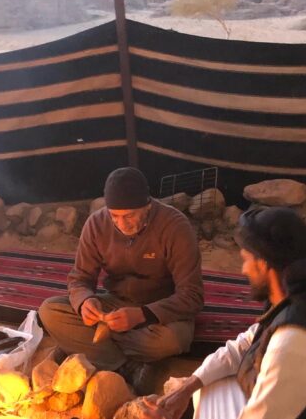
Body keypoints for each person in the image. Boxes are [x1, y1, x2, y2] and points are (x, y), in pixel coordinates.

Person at [141, 206, 306, 419]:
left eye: (246, 260)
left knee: (211, 400)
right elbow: (245, 344)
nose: (243, 270)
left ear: (265, 264)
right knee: (208, 387)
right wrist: (188, 386)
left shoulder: (293, 342)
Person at [39, 167, 204, 395]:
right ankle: (127, 367)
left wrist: (141, 315)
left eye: (129, 216)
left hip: (162, 311)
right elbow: (79, 279)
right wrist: (85, 301)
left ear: (147, 206)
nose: (121, 224)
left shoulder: (175, 226)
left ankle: (86, 347)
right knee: (49, 311)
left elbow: (192, 296)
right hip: (116, 304)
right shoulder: (97, 224)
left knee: (169, 341)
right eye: (114, 216)